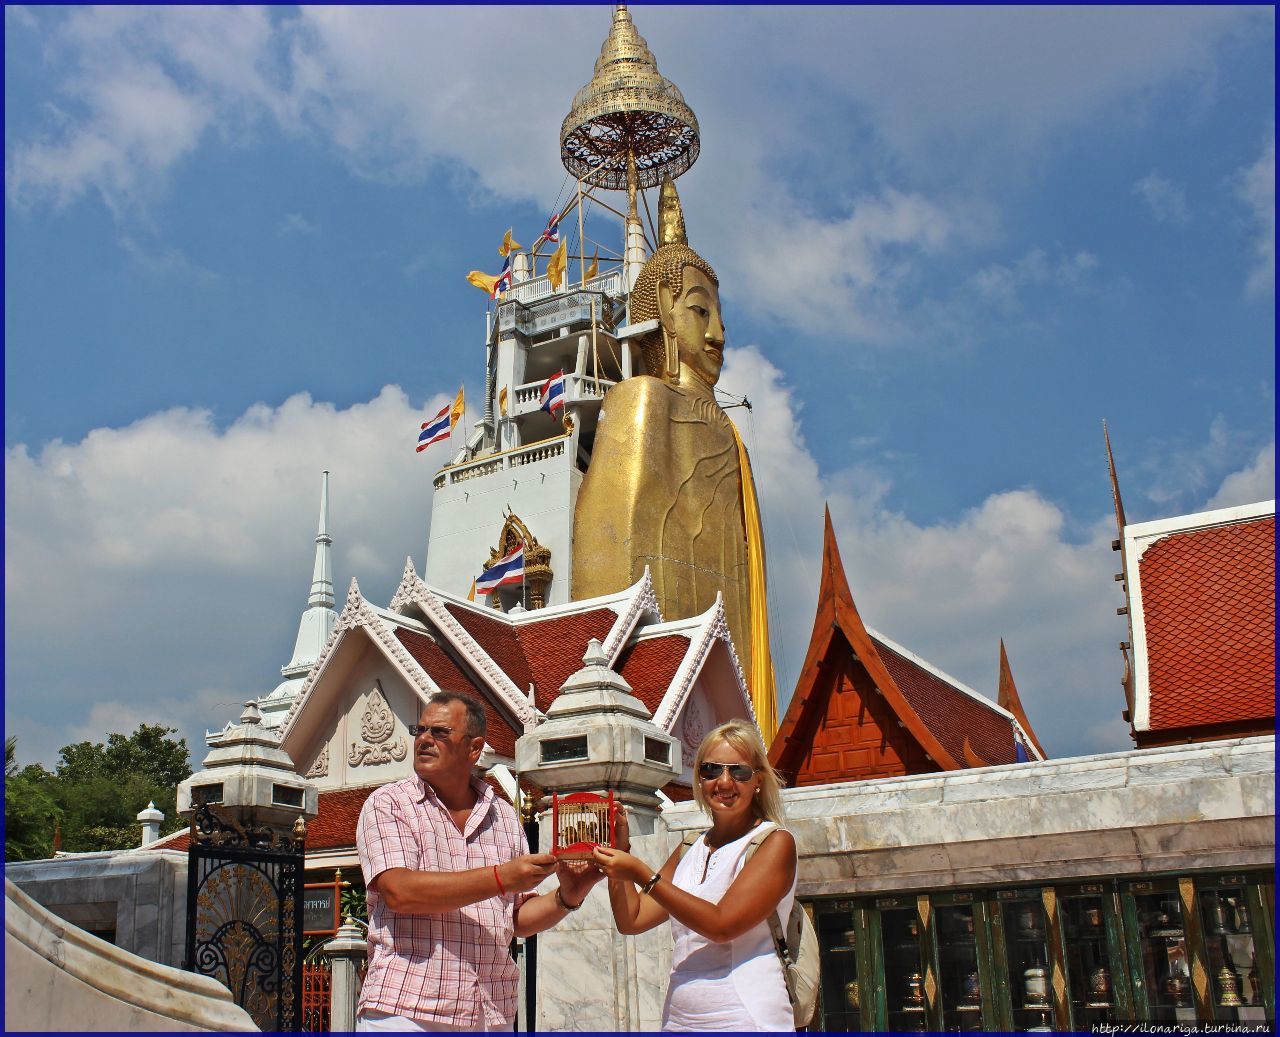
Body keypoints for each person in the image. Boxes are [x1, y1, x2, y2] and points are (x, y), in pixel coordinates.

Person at [571, 177, 777, 740]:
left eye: (719, 315)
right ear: (662, 309)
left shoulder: (728, 431)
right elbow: (615, 554)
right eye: (698, 312)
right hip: (657, 679)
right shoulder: (643, 400)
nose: (718, 333)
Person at [355, 691, 603, 1031]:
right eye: (420, 730)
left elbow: (514, 918)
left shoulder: (503, 814)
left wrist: (568, 896)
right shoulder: (390, 804)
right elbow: (399, 891)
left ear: (474, 748)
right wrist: (503, 877)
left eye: (439, 732)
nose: (424, 740)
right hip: (407, 1009)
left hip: (490, 1011)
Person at [592, 719, 797, 1032]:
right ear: (699, 779)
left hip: (744, 1016)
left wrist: (640, 873)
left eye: (738, 771)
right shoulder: (691, 847)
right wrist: (621, 854)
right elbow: (632, 919)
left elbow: (721, 925)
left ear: (758, 780)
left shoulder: (774, 842)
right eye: (711, 770)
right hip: (680, 1017)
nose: (724, 782)